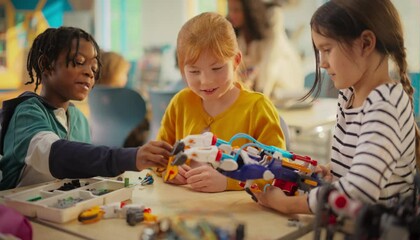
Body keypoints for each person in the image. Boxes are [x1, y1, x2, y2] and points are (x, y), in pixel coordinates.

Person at [250, 0, 420, 214]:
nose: (322, 63)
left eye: (327, 49)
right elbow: (360, 165)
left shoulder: (384, 106)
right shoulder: (349, 95)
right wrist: (332, 170)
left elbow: (359, 191)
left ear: (366, 43)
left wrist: (286, 204)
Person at [0, 27, 173, 190]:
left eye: (94, 67)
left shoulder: (78, 119)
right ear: (46, 65)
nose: (89, 73)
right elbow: (56, 155)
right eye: (79, 62)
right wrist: (129, 157)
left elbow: (80, 167)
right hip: (18, 212)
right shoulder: (26, 113)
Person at [157, 12, 286, 193]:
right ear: (182, 69)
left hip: (237, 213)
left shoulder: (257, 108)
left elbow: (277, 171)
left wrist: (229, 182)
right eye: (194, 72)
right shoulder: (180, 103)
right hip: (184, 208)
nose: (206, 81)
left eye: (217, 68)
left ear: (236, 61)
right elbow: (159, 156)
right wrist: (168, 170)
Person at [227, 0, 305, 104]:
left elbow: (270, 61)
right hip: (256, 89)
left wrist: (261, 94)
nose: (232, 15)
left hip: (280, 85)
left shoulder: (272, 15)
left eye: (236, 10)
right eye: (230, 10)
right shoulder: (236, 32)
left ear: (249, 9)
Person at [96, 51, 150, 148]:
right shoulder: (126, 96)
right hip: (127, 145)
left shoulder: (94, 93)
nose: (126, 77)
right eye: (125, 73)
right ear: (115, 73)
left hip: (98, 140)